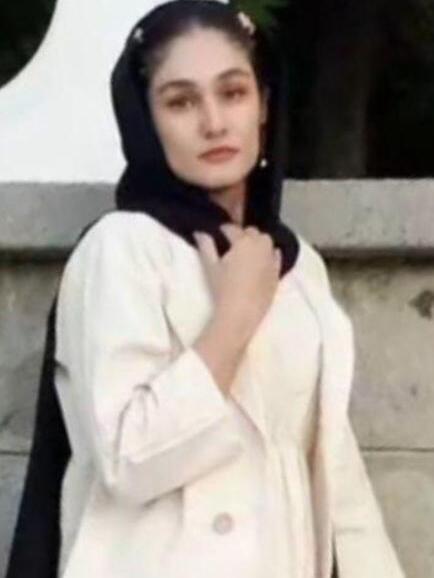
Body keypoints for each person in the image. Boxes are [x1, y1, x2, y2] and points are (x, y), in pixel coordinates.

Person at [6, 2, 406, 577]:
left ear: (263, 106)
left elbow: (336, 478)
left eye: (233, 93)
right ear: (146, 120)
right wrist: (232, 321)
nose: (214, 123)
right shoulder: (122, 250)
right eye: (181, 101)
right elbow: (127, 459)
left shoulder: (296, 264)